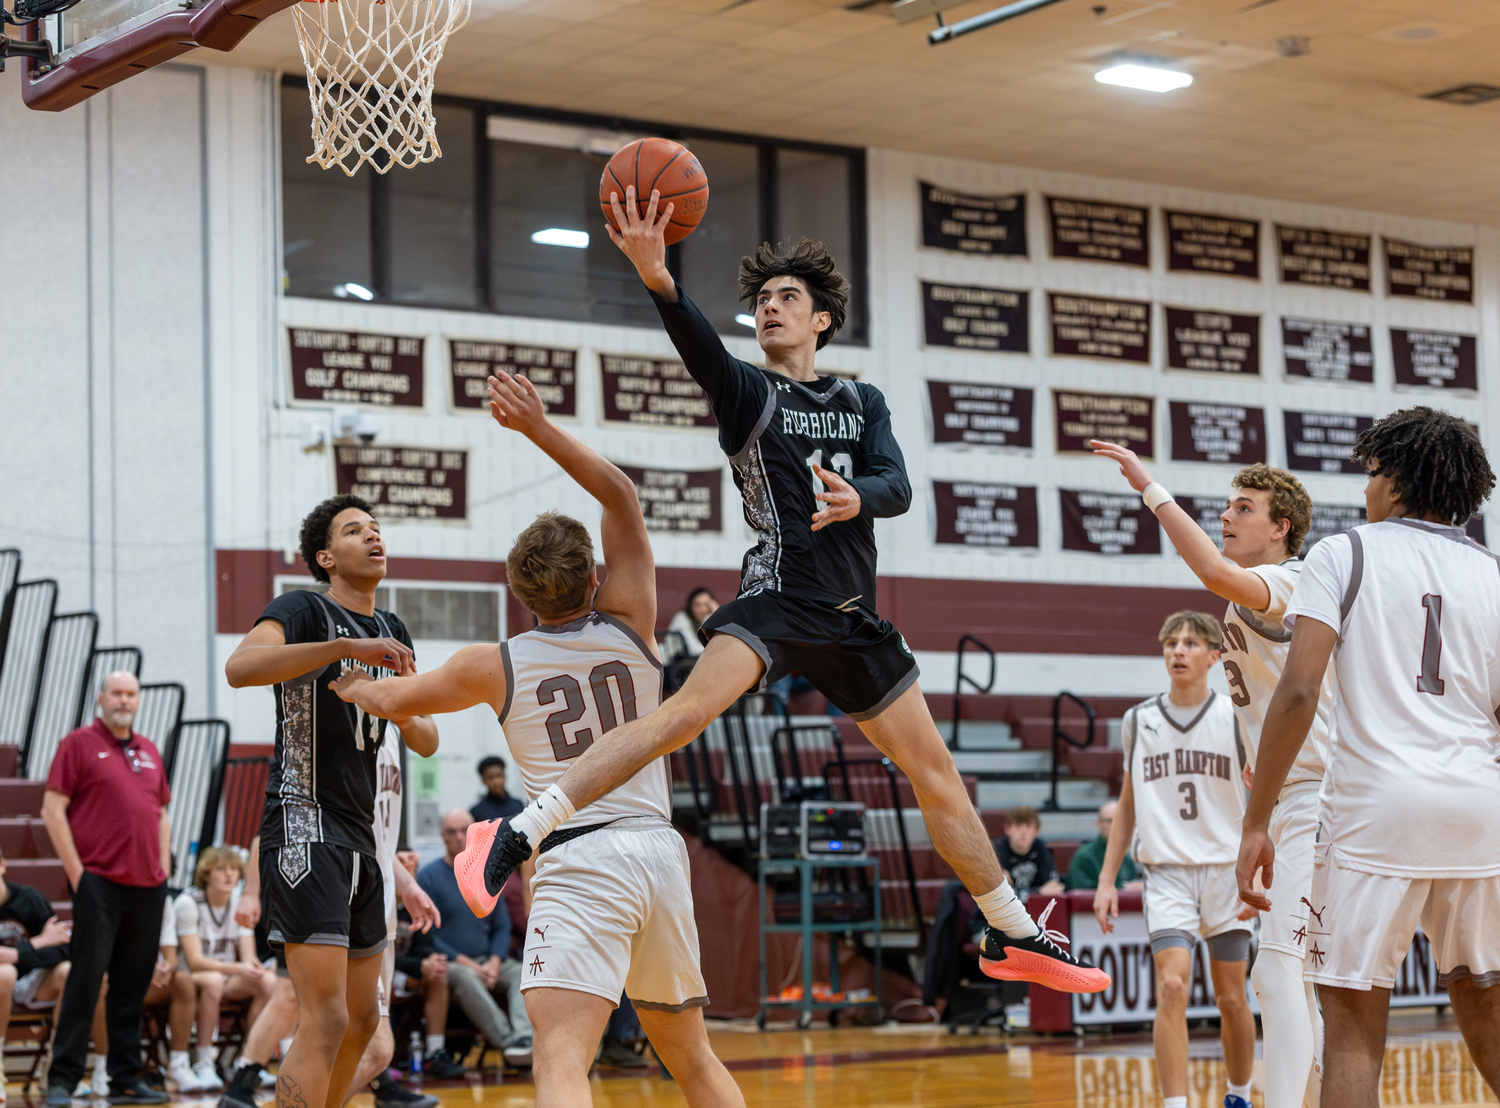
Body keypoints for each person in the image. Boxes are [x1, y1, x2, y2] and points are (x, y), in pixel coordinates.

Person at [462, 189, 1108, 996]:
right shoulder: (749, 394)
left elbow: (898, 484)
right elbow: (697, 347)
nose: (769, 308)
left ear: (821, 320)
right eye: (761, 301)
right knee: (683, 715)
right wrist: (660, 280)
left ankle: (1012, 934)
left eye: (786, 299)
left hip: (850, 618)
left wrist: (856, 499)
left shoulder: (860, 400)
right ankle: (518, 832)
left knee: (936, 776)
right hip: (776, 599)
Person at [329, 371, 746, 1107]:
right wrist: (537, 428)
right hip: (657, 850)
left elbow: (390, 697)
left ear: (520, 595)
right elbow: (619, 494)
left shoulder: (495, 664)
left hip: (575, 851)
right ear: (594, 577)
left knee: (559, 1057)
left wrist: (348, 679)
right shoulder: (629, 620)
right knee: (693, 1058)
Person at [1237, 407, 1500, 1108]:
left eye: (1371, 474)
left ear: (1394, 480)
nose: (1364, 490)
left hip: (1375, 811)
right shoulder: (1493, 571)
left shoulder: (1342, 553)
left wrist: (1255, 820)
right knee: (1482, 990)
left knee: (1352, 1021)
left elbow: (1297, 692)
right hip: (1479, 807)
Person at [1093, 443, 1331, 1108]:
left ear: (1280, 526)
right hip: (1285, 799)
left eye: (1243, 508)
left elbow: (1211, 571)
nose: (1227, 514)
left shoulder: (1289, 581)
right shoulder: (1260, 602)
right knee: (1298, 977)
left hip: (1317, 797)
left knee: (1280, 976)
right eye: (1226, 505)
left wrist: (1149, 487)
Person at [223, 495, 439, 1108]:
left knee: (364, 1024)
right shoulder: (303, 608)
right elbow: (242, 668)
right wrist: (341, 654)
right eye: (354, 531)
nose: (374, 537)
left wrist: (380, 694)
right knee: (324, 1019)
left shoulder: (393, 630)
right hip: (304, 820)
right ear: (326, 556)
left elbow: (425, 738)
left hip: (362, 833)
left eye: (377, 529)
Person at [1094, 612, 1256, 1108]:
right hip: (1166, 873)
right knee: (1171, 986)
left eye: (1190, 643)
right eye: (1171, 643)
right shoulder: (1138, 721)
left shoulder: (1234, 717)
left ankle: (1239, 1094)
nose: (1178, 651)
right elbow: (1127, 805)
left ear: (1214, 655)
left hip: (1225, 873)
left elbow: (1261, 797)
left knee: (1231, 999)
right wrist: (1106, 879)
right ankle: (1176, 1104)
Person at [42, 671, 172, 1107]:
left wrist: (165, 866)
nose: (124, 700)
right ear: (101, 698)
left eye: (132, 693)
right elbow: (52, 809)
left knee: (131, 989)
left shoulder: (150, 749)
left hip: (148, 887)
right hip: (98, 882)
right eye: (117, 692)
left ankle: (125, 1080)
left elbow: (161, 813)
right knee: (84, 982)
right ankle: (62, 1080)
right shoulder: (77, 743)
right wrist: (78, 875)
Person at [416, 811, 531, 1070]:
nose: (457, 837)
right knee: (466, 978)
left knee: (521, 973)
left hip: (489, 960)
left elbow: (502, 926)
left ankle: (525, 1038)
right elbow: (427, 932)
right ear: (442, 836)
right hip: (453, 964)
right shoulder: (428, 877)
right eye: (450, 831)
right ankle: (510, 1043)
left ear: (472, 832)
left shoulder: (485, 872)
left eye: (463, 830)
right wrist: (469, 964)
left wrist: (494, 961)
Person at [170, 847, 277, 1093]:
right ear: (206, 874)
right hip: (189, 977)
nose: (229, 874)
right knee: (214, 980)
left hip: (226, 973)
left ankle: (250, 1061)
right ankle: (204, 1061)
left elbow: (248, 956)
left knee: (269, 982)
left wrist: (254, 967)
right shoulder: (188, 902)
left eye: (233, 869)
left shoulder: (241, 903)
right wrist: (238, 967)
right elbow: (195, 960)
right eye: (221, 869)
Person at [0, 849, 95, 1103]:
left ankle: (54, 1074)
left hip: (32, 980)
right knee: (4, 974)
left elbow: (64, 947)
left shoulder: (28, 899)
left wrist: (21, 953)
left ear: (2, 866)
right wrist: (37, 944)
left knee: (69, 971)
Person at [1065, 801, 1139, 892]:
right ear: (1099, 823)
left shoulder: (1126, 857)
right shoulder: (1084, 857)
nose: (1116, 826)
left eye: (1120, 821)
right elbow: (1082, 896)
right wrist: (1122, 891)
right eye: (1110, 821)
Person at [992, 807, 1064, 900]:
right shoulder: (997, 850)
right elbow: (998, 895)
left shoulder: (1040, 847)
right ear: (1007, 828)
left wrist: (1031, 893)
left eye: (1028, 826)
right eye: (1018, 826)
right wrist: (1038, 892)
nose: (1023, 832)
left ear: (1037, 830)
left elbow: (1054, 886)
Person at [663, 589, 717, 662]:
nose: (702, 609)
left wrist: (716, 613)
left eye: (706, 605)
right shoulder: (681, 618)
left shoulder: (705, 618)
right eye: (698, 605)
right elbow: (693, 650)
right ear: (690, 605)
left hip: (694, 662)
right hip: (677, 665)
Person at [470, 757, 524, 823]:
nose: (496, 781)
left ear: (504, 776)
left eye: (499, 776)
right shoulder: (477, 812)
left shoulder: (518, 805)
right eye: (490, 777)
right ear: (483, 780)